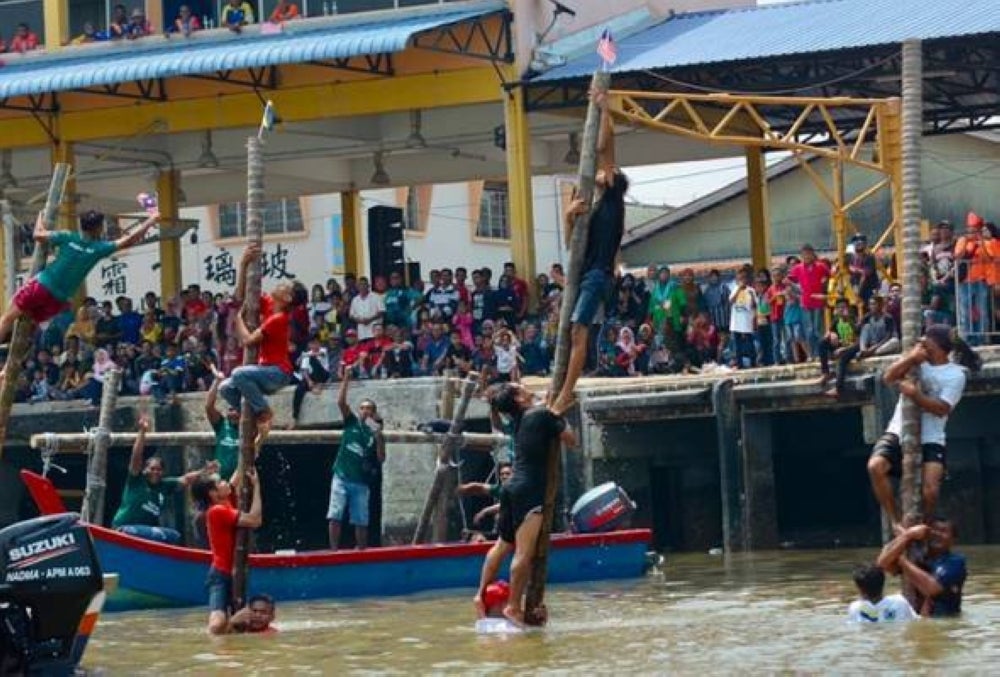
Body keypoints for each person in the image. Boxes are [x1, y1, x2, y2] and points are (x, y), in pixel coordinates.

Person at [551, 87, 627, 414]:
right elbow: (571, 244)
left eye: (608, 173)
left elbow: (604, 148)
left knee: (579, 331)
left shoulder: (612, 199)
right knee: (570, 332)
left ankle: (566, 392)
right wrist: (569, 216)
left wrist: (604, 110)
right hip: (584, 272)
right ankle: (562, 389)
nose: (601, 172)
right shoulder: (594, 209)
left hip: (597, 275)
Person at [475, 384, 576, 626]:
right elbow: (571, 440)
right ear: (518, 399)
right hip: (529, 489)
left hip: (511, 488)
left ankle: (480, 594)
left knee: (501, 545)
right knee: (524, 553)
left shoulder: (520, 420)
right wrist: (559, 416)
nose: (526, 388)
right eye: (521, 388)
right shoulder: (540, 416)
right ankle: (512, 606)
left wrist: (551, 408)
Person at [867, 325, 981, 530]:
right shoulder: (915, 362)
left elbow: (942, 409)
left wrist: (915, 395)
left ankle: (925, 524)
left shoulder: (956, 374)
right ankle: (895, 521)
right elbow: (888, 378)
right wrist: (911, 359)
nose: (921, 344)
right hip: (899, 429)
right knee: (875, 467)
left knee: (931, 490)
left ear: (936, 345)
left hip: (932, 436)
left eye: (926, 341)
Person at [0, 210, 158, 352]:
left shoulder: (68, 236)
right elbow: (129, 240)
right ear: (97, 229)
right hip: (57, 300)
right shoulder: (99, 248)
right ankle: (8, 368)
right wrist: (150, 221)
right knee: (29, 328)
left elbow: (38, 235)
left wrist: (41, 215)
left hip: (43, 285)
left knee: (7, 318)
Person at [221, 244, 294, 449]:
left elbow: (247, 340)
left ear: (287, 298)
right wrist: (243, 265)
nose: (280, 285)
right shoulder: (271, 305)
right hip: (263, 371)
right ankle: (253, 416)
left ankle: (264, 412)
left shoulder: (279, 318)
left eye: (285, 287)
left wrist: (238, 320)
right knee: (225, 388)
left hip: (277, 372)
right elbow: (243, 294)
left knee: (238, 374)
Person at [111, 417, 217, 544]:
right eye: (152, 469)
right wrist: (142, 431)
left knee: (174, 536)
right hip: (123, 528)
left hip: (144, 534)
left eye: (159, 469)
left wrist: (204, 471)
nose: (155, 472)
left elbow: (186, 479)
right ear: (145, 470)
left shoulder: (165, 485)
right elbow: (136, 456)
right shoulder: (136, 480)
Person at [190, 467, 262, 635]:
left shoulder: (223, 501)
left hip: (234, 572)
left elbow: (237, 474)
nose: (225, 483)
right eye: (219, 482)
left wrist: (255, 445)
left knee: (237, 628)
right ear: (212, 493)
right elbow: (255, 520)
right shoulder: (217, 511)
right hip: (221, 575)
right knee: (217, 625)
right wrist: (257, 486)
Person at [328, 369, 385, 550]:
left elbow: (381, 458)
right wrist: (346, 377)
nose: (366, 411)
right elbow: (341, 402)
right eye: (363, 408)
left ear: (374, 413)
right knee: (335, 514)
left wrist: (379, 437)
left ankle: (361, 551)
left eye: (369, 408)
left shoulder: (372, 433)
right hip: (341, 476)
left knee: (361, 519)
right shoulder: (351, 422)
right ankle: (333, 551)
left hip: (361, 481)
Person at [876, 517, 966, 617]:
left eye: (943, 531)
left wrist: (902, 560)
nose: (936, 534)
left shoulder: (955, 561)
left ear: (953, 539)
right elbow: (882, 563)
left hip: (944, 620)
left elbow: (932, 589)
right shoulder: (918, 558)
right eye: (933, 530)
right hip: (919, 620)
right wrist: (907, 536)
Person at [846, 563, 916, 623]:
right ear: (883, 582)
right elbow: (917, 620)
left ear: (859, 588)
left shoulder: (855, 608)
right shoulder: (900, 602)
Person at [206, 365, 240, 481]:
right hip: (219, 481)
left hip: (239, 481)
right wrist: (217, 381)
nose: (234, 413)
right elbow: (209, 406)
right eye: (231, 409)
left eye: (237, 410)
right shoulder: (222, 424)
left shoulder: (248, 427)